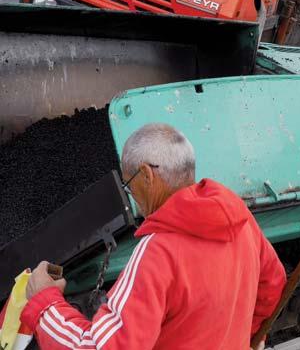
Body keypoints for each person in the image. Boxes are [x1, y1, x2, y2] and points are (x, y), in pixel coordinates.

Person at [21, 123, 286, 350]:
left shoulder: (157, 252)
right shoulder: (240, 220)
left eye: (128, 183)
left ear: (146, 175)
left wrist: (45, 302)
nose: (130, 194)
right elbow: (273, 282)